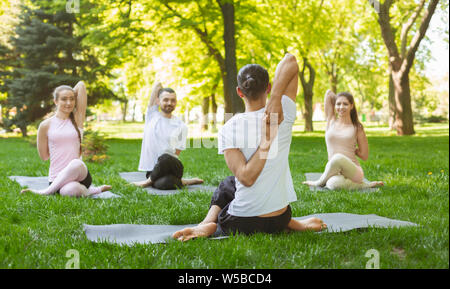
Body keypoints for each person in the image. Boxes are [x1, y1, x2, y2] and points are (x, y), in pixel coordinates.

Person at [172, 54, 327, 241]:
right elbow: (290, 61)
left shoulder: (228, 128)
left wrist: (266, 141)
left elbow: (246, 178)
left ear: (239, 92)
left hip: (241, 223)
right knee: (231, 182)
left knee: (227, 186)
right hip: (280, 217)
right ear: (268, 88)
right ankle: (292, 223)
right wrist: (276, 98)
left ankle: (208, 225)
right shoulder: (283, 111)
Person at [21, 82, 111, 197]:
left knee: (76, 163)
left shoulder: (78, 118)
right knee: (70, 191)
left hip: (80, 174)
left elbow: (81, 85)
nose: (68, 103)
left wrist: (67, 91)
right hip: (56, 178)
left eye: (72, 99)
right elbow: (44, 156)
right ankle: (92, 191)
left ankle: (46, 192)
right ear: (55, 101)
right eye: (64, 99)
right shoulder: (45, 125)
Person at [302, 90, 384, 190]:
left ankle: (319, 182)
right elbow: (328, 93)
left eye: (345, 104)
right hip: (335, 172)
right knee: (333, 184)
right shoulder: (330, 121)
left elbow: (364, 155)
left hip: (353, 171)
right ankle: (364, 185)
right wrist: (338, 97)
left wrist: (352, 148)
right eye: (338, 104)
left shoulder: (357, 127)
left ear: (352, 106)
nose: (341, 107)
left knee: (337, 158)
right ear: (334, 106)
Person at [132, 82, 203, 190]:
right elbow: (156, 86)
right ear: (158, 101)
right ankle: (185, 181)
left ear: (176, 103)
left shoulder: (181, 126)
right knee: (165, 183)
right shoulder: (152, 116)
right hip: (153, 170)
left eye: (173, 100)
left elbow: (176, 154)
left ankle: (147, 182)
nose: (169, 103)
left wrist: (164, 162)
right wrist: (159, 84)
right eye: (165, 99)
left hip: (172, 166)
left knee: (165, 157)